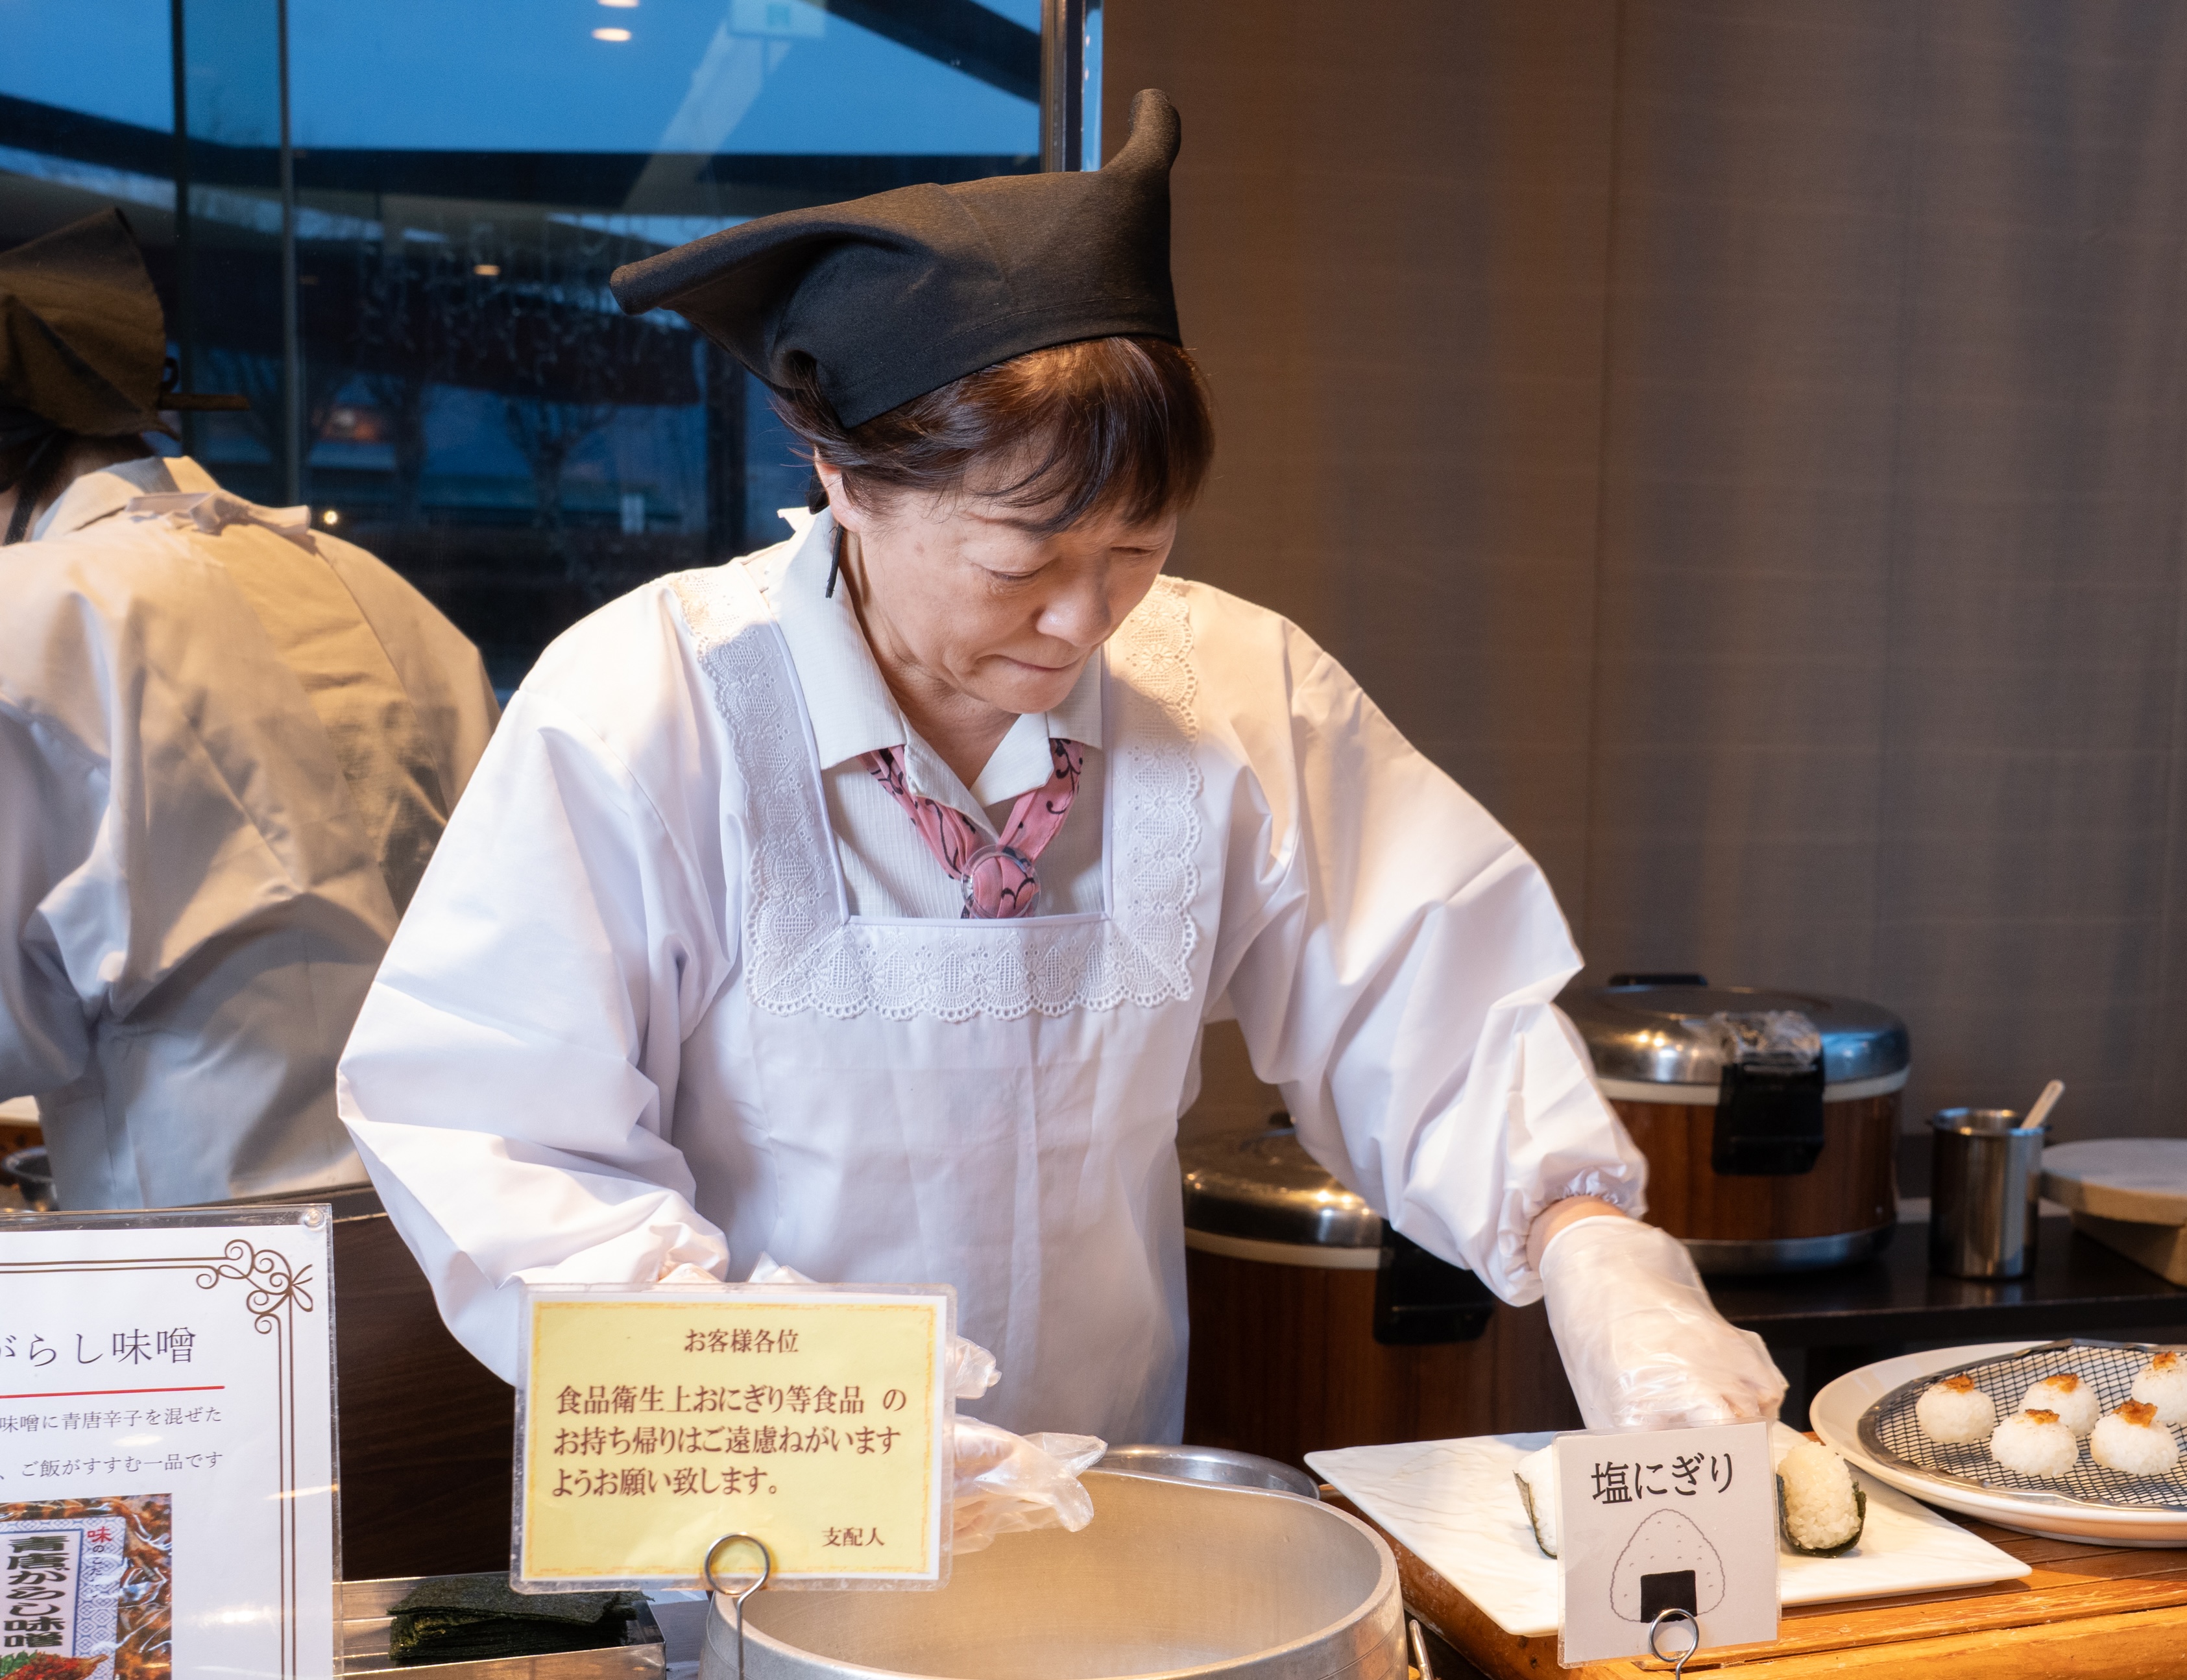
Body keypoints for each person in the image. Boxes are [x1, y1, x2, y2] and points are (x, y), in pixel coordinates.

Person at [334, 92, 1783, 1460]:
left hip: (1106, 1496)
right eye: (1025, 559)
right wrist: (824, 1442)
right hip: (752, 1533)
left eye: (1137, 553)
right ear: (846, 481)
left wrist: (1592, 1244)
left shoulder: (1232, 690)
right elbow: (500, 1132)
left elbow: (1426, 1004)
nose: (1087, 622)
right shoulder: (649, 706)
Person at [1, 210, 500, 1210]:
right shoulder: (374, 586)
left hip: (196, 1254)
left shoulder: (35, 610)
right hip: (448, 1227)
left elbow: (18, 1027)